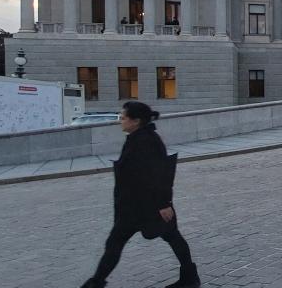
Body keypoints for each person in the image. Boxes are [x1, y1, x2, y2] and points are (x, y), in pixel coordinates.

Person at [81, 102, 200, 288]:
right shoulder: (137, 137)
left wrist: (164, 204)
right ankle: (190, 278)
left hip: (146, 207)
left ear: (136, 121)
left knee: (165, 238)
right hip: (136, 206)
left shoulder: (146, 141)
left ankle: (190, 278)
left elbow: (159, 174)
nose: (120, 120)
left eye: (123, 117)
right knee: (166, 238)